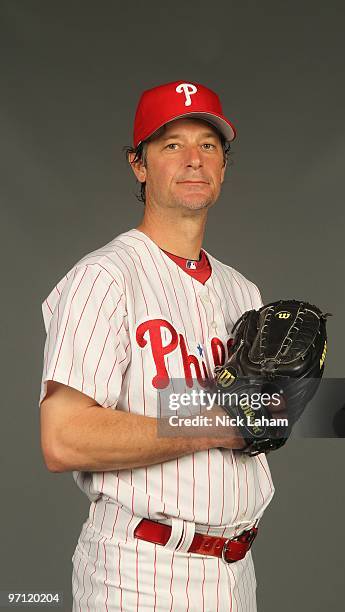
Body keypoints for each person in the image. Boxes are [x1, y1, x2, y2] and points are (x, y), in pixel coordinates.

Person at [39, 80, 275, 611]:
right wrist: (223, 421)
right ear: (138, 165)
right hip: (139, 570)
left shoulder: (243, 291)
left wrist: (301, 406)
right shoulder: (104, 276)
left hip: (237, 572)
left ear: (223, 165)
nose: (194, 159)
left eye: (208, 145)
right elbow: (64, 437)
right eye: (172, 144)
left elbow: (262, 417)